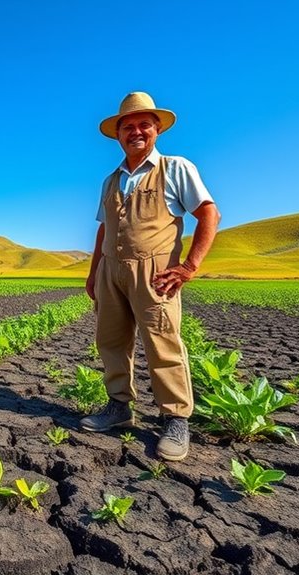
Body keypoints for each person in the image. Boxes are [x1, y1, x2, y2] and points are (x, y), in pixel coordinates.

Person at [80, 92, 220, 462]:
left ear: (157, 129)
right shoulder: (110, 181)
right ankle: (119, 407)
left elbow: (209, 214)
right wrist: (94, 272)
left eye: (144, 124)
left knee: (163, 343)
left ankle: (175, 418)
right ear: (118, 134)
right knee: (110, 340)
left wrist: (188, 266)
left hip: (154, 271)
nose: (136, 131)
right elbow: (103, 229)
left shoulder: (176, 168)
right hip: (112, 269)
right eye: (128, 126)